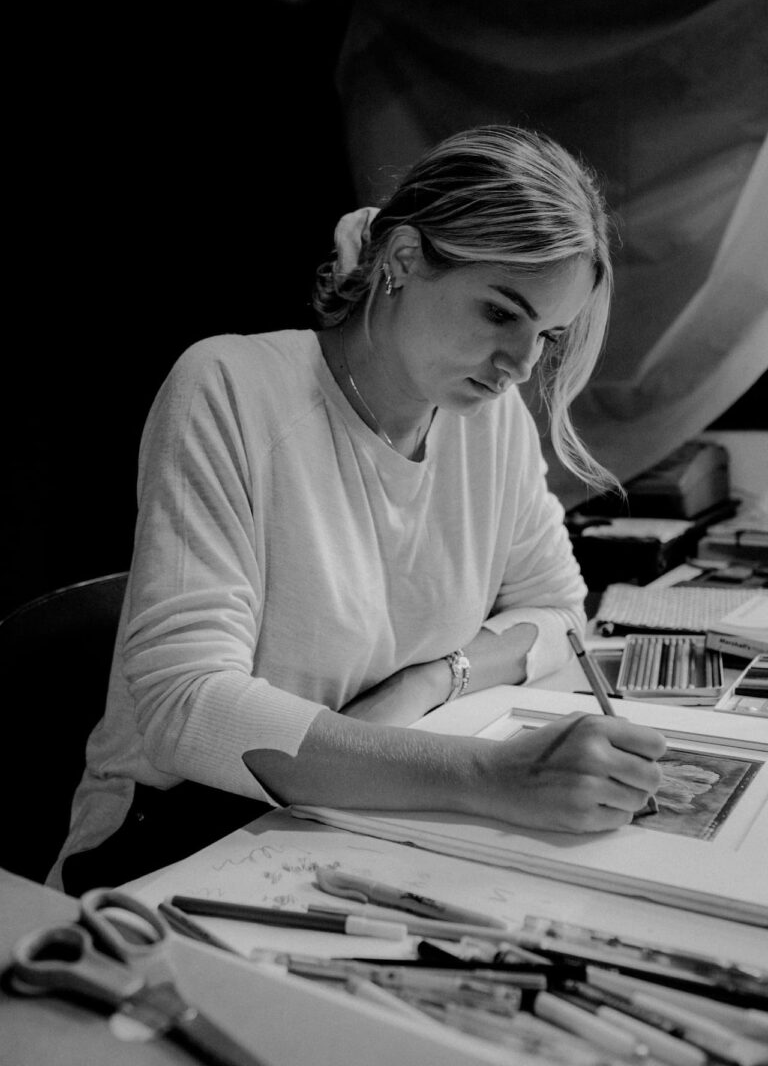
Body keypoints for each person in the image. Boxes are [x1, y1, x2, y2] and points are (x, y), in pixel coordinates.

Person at [50, 125, 665, 894]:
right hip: (180, 837)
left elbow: (559, 611)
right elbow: (187, 711)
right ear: (403, 259)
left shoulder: (489, 420)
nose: (520, 365)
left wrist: (428, 682)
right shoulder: (230, 387)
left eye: (548, 335)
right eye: (501, 313)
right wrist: (488, 776)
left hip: (348, 821)